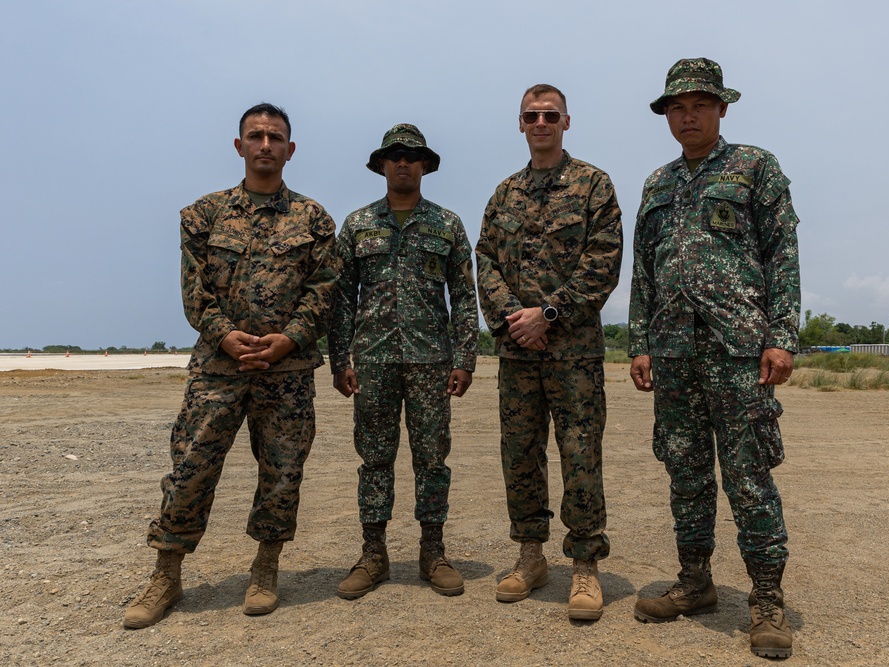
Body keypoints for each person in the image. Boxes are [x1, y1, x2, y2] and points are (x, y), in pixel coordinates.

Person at [123, 103, 340, 629]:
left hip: (285, 374)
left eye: (276, 137)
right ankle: (166, 574)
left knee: (283, 473)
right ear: (239, 146)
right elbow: (193, 290)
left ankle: (266, 568)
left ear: (291, 149)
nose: (266, 145)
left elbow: (324, 289)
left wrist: (289, 340)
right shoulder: (204, 214)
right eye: (256, 136)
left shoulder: (313, 220)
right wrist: (224, 335)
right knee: (190, 469)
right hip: (218, 370)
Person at [628, 58, 800, 659]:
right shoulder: (657, 183)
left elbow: (782, 255)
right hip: (673, 352)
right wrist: (641, 343)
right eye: (676, 107)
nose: (688, 115)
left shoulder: (754, 167)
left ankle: (767, 598)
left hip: (739, 351)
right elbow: (643, 274)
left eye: (699, 104)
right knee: (687, 473)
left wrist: (782, 336)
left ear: (722, 108)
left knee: (749, 476)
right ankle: (695, 580)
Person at [476, 84, 623, 621]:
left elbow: (603, 261)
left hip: (573, 353)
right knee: (520, 453)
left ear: (566, 121)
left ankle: (585, 564)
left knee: (580, 454)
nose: (541, 122)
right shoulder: (504, 193)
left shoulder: (592, 186)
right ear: (520, 124)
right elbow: (485, 260)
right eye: (531, 115)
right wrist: (516, 318)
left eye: (550, 115)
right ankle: (531, 555)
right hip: (519, 355)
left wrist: (549, 314)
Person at [329, 124, 478, 599]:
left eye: (412, 157)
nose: (402, 163)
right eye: (394, 156)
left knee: (432, 458)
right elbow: (340, 300)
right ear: (381, 165)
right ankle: (373, 554)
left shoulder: (447, 225)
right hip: (372, 361)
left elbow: (465, 297)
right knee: (374, 458)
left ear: (425, 166)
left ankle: (432, 552)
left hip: (432, 361)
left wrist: (466, 357)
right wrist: (339, 359)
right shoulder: (356, 226)